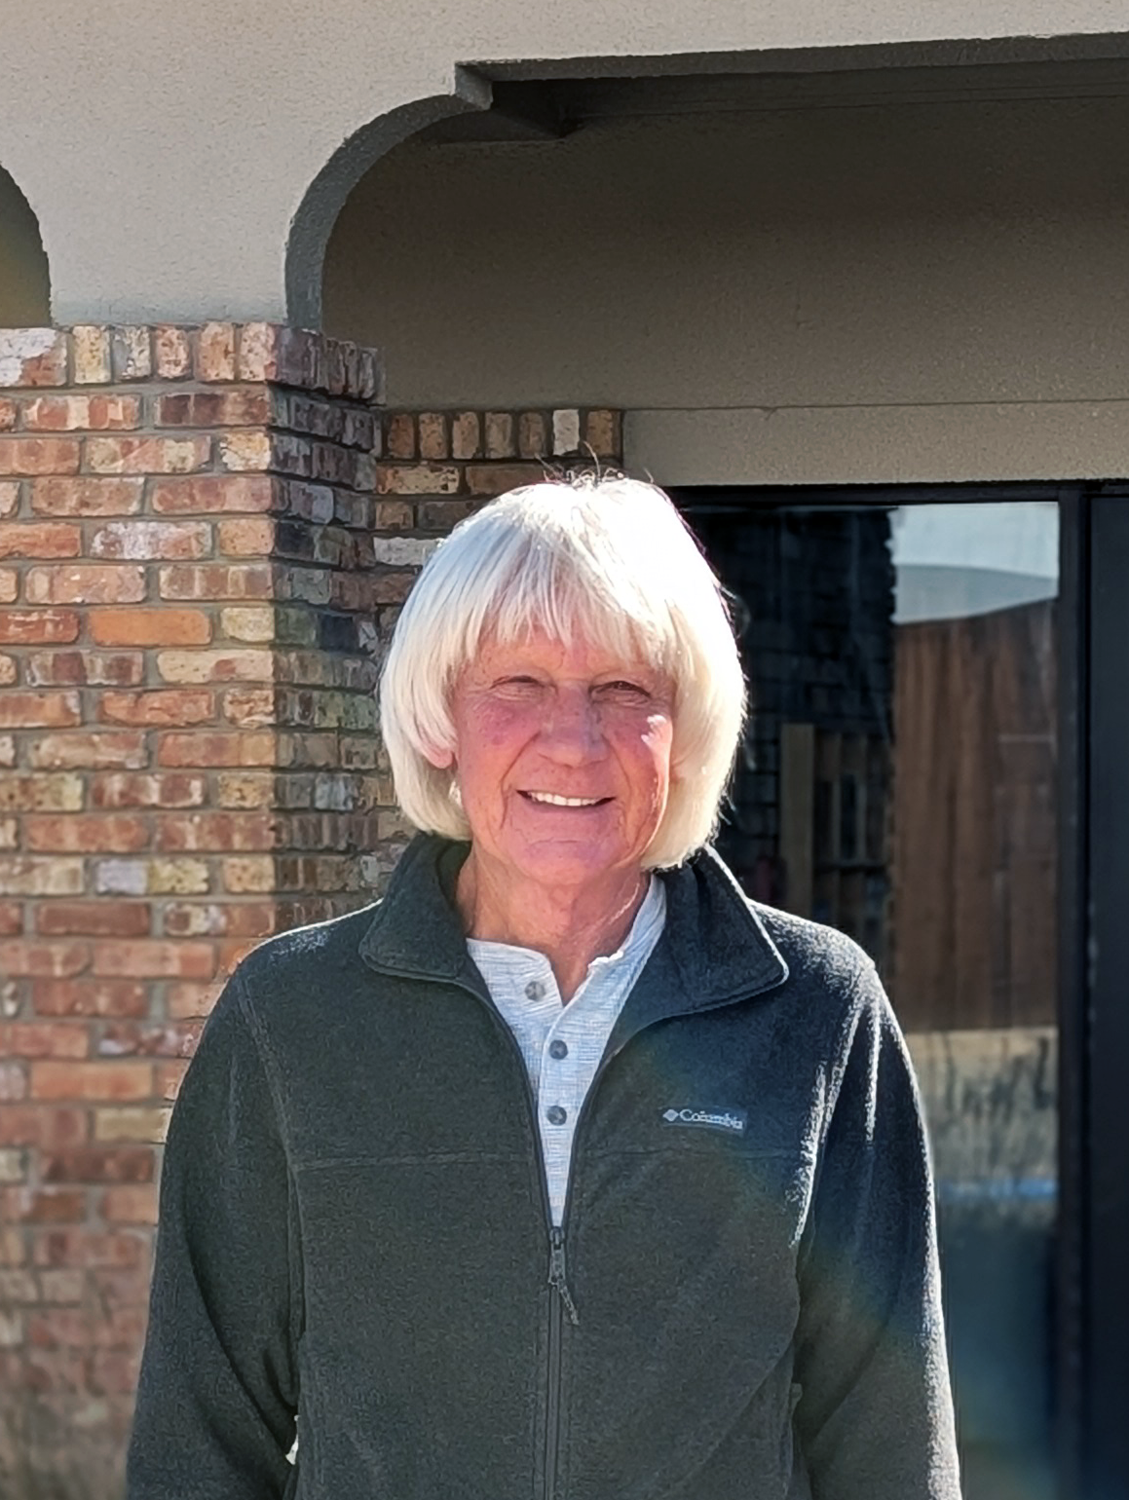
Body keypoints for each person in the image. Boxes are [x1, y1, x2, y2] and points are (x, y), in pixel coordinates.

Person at [126, 476, 960, 1499]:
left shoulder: (815, 1011)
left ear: (682, 733)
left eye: (624, 690)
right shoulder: (289, 1020)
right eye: (516, 683)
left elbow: (888, 1442)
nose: (572, 738)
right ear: (441, 719)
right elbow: (198, 1439)